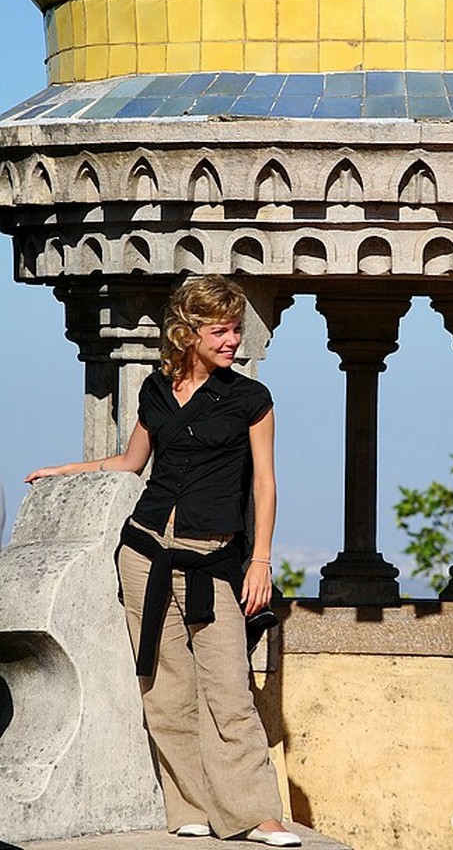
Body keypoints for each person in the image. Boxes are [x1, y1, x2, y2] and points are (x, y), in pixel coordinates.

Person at [26, 275, 300, 847]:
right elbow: (130, 463)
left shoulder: (251, 399)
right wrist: (63, 472)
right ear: (188, 333)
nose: (232, 341)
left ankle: (255, 813)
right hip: (145, 555)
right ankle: (190, 807)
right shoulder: (155, 390)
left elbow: (266, 486)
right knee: (164, 689)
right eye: (219, 331)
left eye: (235, 330)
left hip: (214, 562)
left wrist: (261, 561)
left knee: (229, 690)